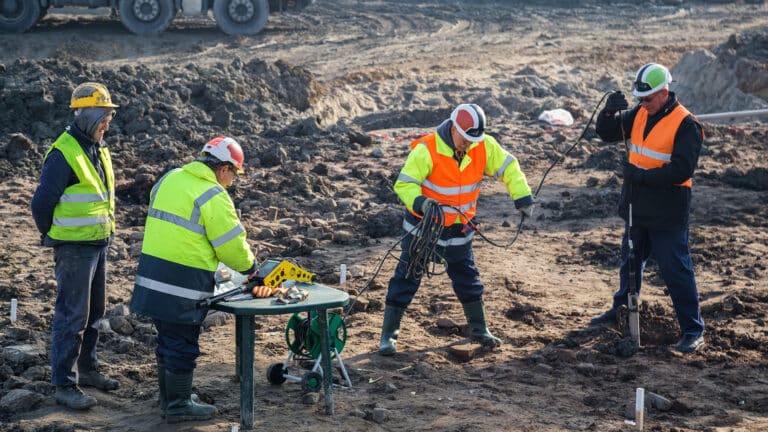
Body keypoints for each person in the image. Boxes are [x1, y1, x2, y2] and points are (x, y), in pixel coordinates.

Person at [130, 136, 268, 423]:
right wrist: (252, 269)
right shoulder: (212, 194)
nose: (232, 181)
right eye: (234, 174)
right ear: (224, 169)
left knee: (167, 339)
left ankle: (169, 398)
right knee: (182, 343)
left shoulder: (171, 178)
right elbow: (231, 245)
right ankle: (179, 406)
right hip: (182, 284)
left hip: (151, 277)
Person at [379, 103, 534, 356]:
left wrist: (523, 196)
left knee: (467, 277)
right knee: (407, 275)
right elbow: (404, 184)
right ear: (454, 128)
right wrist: (421, 203)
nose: (469, 144)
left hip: (460, 229)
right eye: (466, 139)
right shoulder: (427, 150)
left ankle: (479, 329)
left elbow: (509, 167)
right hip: (422, 228)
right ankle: (388, 337)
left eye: (474, 140)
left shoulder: (483, 145)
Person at [592, 63, 705, 354]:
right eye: (640, 99)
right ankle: (620, 312)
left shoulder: (686, 124)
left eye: (648, 99)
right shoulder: (641, 113)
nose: (644, 104)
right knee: (629, 262)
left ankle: (693, 330)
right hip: (636, 206)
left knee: (675, 269)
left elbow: (681, 170)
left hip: (667, 213)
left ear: (664, 92)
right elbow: (607, 134)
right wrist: (608, 112)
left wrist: (641, 177)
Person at [31, 82, 121, 410]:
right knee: (73, 315)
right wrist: (52, 234)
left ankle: (88, 369)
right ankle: (64, 384)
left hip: (97, 244)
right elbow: (41, 203)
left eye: (109, 116)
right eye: (103, 116)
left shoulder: (97, 147)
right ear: (85, 115)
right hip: (74, 248)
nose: (107, 123)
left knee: (94, 312)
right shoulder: (63, 153)